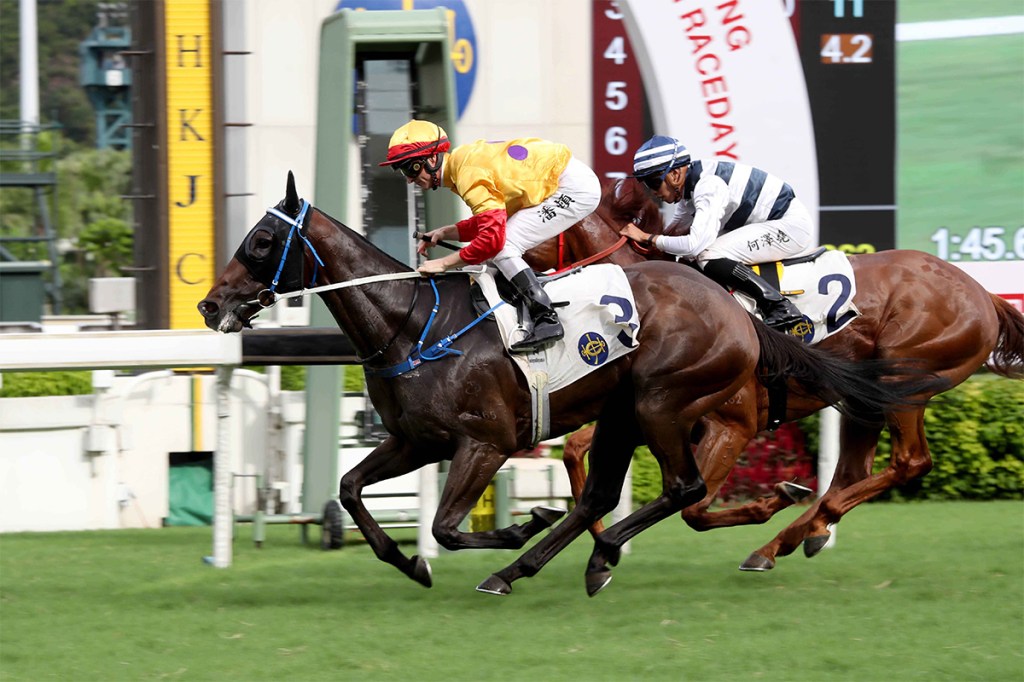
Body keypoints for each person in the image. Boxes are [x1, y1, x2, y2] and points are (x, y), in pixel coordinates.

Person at [380, 120, 601, 353]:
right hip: (562, 179)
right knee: (495, 251)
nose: (409, 179)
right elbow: (490, 220)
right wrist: (447, 232)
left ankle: (545, 318)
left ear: (432, 159)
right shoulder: (461, 165)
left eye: (409, 169)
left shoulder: (468, 174)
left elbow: (492, 240)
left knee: (503, 247)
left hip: (572, 188)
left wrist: (443, 264)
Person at [621, 135, 813, 331]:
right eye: (645, 184)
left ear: (675, 174)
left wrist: (647, 237)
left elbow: (694, 244)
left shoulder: (708, 186)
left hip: (789, 226)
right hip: (773, 222)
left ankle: (778, 305)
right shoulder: (690, 190)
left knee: (708, 254)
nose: (653, 191)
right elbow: (675, 232)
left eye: (653, 182)